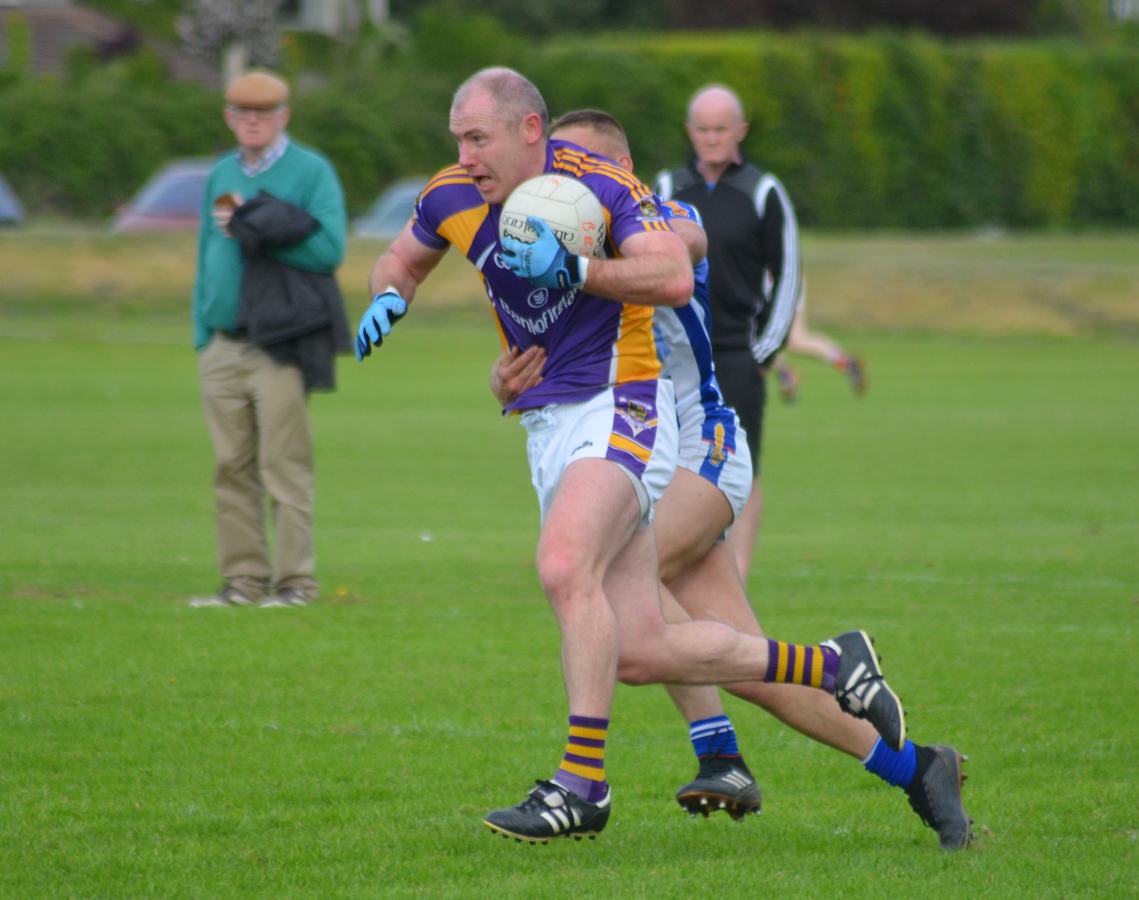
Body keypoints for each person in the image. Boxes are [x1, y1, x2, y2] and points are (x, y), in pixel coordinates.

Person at [358, 67, 907, 845]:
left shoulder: (620, 195)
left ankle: (584, 785)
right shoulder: (454, 193)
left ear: (531, 132)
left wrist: (579, 263)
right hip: (552, 429)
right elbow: (404, 260)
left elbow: (681, 256)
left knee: (562, 566)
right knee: (642, 647)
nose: (464, 153)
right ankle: (831, 669)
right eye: (459, 139)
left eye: (476, 137)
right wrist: (389, 297)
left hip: (637, 415)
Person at [493, 109, 972, 850]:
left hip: (698, 453)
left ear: (621, 171)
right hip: (640, 458)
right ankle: (919, 770)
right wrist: (509, 381)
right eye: (558, 169)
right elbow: (558, 372)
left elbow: (687, 243)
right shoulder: (560, 252)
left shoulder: (657, 219)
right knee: (739, 661)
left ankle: (716, 753)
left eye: (583, 167)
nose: (566, 184)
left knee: (605, 602)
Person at [189, 70, 351, 609]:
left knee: (283, 465)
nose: (252, 121)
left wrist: (258, 229)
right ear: (228, 117)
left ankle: (295, 584)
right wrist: (200, 331)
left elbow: (328, 251)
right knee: (230, 468)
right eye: (241, 112)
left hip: (278, 342)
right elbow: (206, 254)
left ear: (284, 115)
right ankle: (242, 582)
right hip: (221, 344)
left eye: (263, 112)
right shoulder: (221, 172)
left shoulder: (312, 171)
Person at [655, 84, 796, 583]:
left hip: (737, 352)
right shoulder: (668, 187)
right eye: (703, 129)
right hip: (675, 354)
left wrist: (764, 350)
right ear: (690, 132)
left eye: (722, 129)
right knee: (672, 454)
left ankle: (736, 572)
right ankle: (677, 559)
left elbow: (788, 274)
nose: (712, 139)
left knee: (743, 463)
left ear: (741, 132)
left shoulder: (763, 191)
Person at [772, 284, 868, 403]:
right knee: (795, 340)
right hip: (775, 281)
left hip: (781, 281)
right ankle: (847, 362)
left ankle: (786, 373)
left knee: (788, 339)